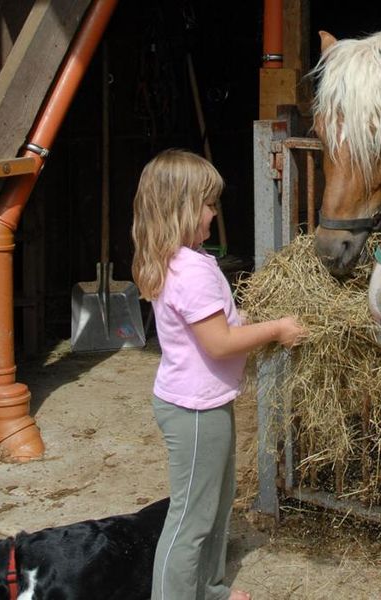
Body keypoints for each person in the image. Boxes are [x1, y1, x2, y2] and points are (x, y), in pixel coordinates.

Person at [131, 148, 307, 600]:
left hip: (203, 402)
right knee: (190, 519)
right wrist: (277, 329)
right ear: (184, 209)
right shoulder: (190, 272)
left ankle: (208, 589)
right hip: (193, 412)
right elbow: (219, 343)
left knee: (215, 505)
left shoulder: (180, 260)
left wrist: (250, 317)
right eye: (209, 205)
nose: (213, 214)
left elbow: (216, 327)